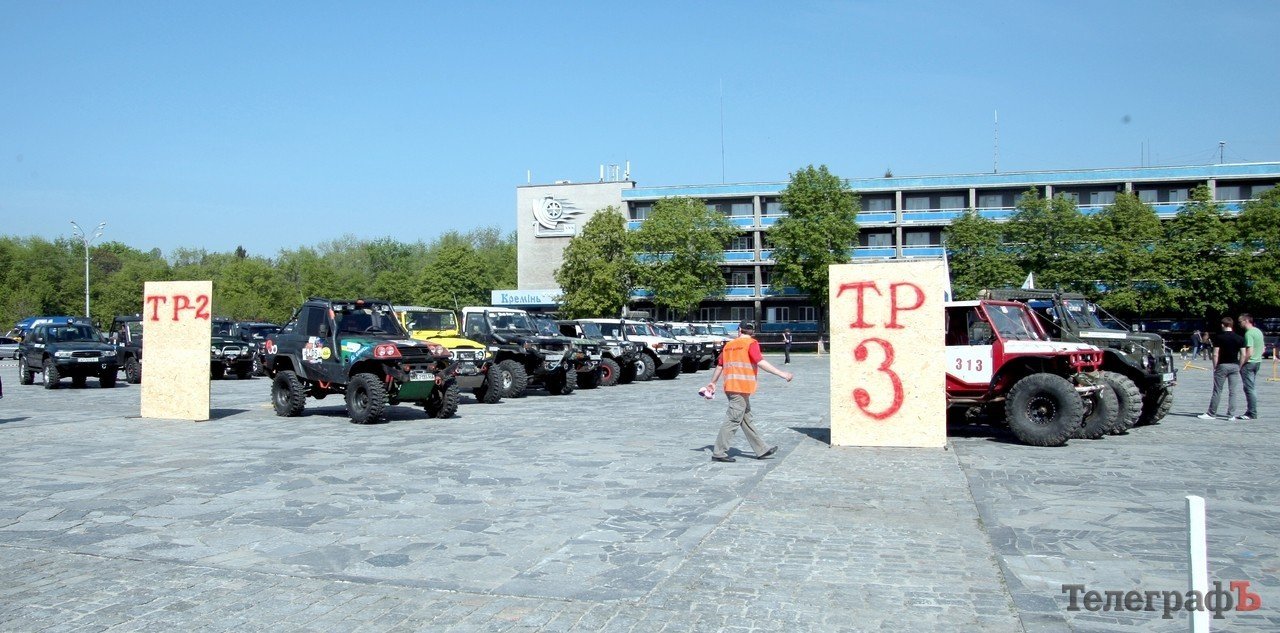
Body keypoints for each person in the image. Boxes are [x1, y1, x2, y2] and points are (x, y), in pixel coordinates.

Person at [704, 321, 793, 463]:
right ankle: (719, 452)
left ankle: (761, 449)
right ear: (752, 332)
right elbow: (760, 362)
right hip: (740, 387)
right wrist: (782, 374)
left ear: (739, 330)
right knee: (733, 419)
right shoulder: (751, 343)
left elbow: (720, 366)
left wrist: (713, 382)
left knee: (746, 419)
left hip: (732, 386)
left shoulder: (729, 345)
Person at [1199, 317, 1246, 421]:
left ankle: (1212, 413)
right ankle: (1231, 415)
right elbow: (1243, 354)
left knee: (1217, 390)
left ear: (1223, 325)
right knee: (1233, 391)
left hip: (1222, 365)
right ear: (1232, 325)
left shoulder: (1219, 338)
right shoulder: (1240, 338)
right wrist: (1240, 365)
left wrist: (1215, 366)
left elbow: (1215, 354)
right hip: (1234, 366)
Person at [1238, 313, 1264, 420]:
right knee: (1251, 387)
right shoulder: (1258, 331)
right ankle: (1251, 411)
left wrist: (1241, 364)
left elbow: (1249, 352)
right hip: (1257, 362)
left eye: (1240, 322)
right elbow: (1263, 349)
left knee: (1249, 388)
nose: (1239, 324)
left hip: (1249, 363)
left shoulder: (1249, 334)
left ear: (1246, 321)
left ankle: (1252, 412)